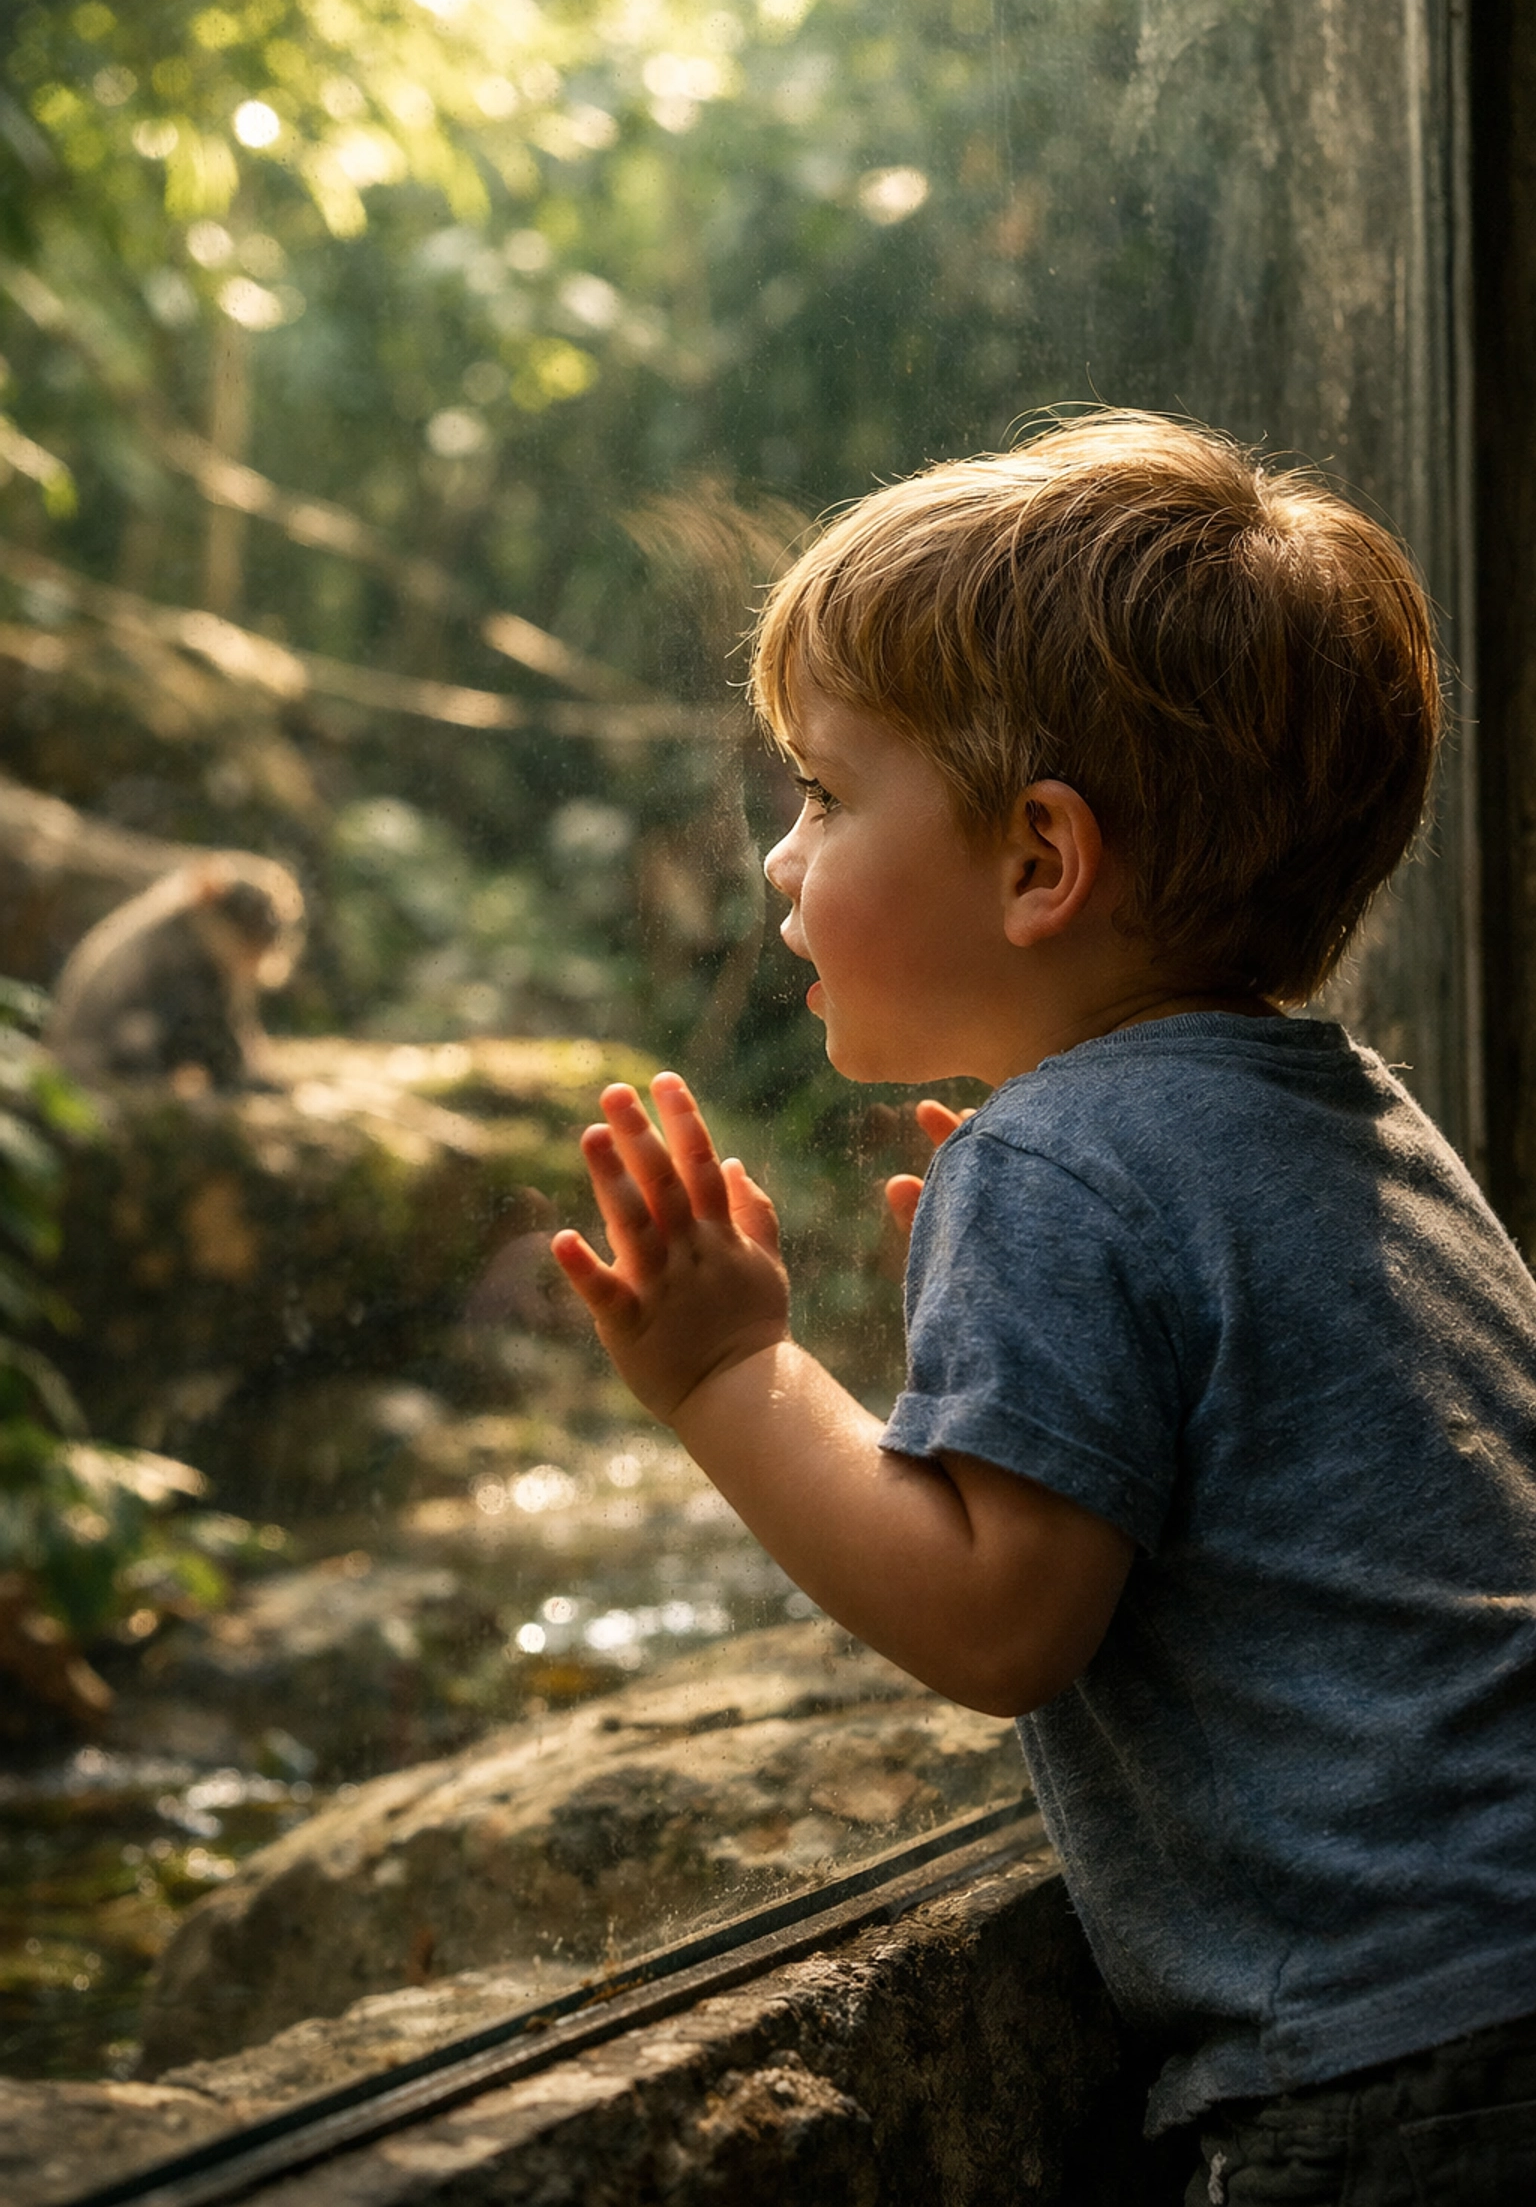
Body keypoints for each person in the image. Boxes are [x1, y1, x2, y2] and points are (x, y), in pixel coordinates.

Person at [550, 411, 1536, 2204]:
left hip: (1394, 2062)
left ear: (1038, 863)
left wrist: (731, 1373)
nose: (783, 857)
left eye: (829, 797)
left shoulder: (1062, 1158)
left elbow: (1003, 1627)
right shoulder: (1362, 1120)